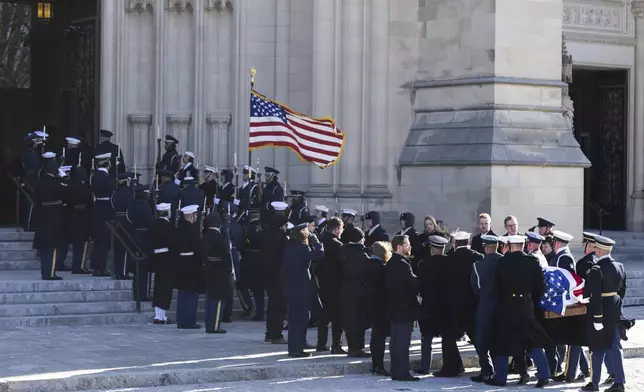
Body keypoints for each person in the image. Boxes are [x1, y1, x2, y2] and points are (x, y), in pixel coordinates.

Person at [486, 235, 552, 388]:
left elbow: (496, 287)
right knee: (532, 340)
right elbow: (540, 287)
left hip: (507, 306)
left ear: (509, 244)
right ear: (525, 244)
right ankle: (544, 375)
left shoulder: (503, 262)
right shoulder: (532, 261)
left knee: (503, 341)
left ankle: (501, 377)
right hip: (526, 305)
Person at [581, 235, 626, 392]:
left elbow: (594, 295)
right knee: (615, 347)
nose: (594, 250)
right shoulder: (620, 266)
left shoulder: (596, 269)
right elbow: (622, 291)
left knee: (597, 347)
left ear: (599, 249)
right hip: (615, 310)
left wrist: (597, 318)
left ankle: (594, 383)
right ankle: (619, 382)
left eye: (595, 248)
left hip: (600, 312)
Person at [435, 231, 483, 377]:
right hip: (473, 304)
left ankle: (452, 366)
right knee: (476, 337)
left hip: (453, 305)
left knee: (448, 336)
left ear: (454, 243)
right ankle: (487, 365)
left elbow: (442, 283)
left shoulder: (448, 259)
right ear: (468, 242)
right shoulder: (478, 257)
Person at [281, 223, 325, 357]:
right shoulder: (301, 248)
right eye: (306, 231)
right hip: (299, 287)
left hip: (293, 286)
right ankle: (295, 349)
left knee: (298, 318)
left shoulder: (291, 246)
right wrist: (317, 242)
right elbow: (319, 254)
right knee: (299, 319)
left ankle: (299, 344)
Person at [386, 235, 420, 382]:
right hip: (403, 309)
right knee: (402, 342)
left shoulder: (391, 262)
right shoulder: (402, 264)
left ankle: (396, 370)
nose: (410, 247)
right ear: (399, 247)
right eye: (407, 244)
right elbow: (413, 284)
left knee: (395, 342)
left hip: (393, 308)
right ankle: (402, 373)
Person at [470, 234, 503, 382]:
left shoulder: (478, 265)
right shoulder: (504, 262)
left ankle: (486, 369)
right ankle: (499, 371)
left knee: (481, 341)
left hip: (485, 306)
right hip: (503, 306)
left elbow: (476, 288)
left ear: (485, 247)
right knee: (498, 338)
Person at [415, 235, 448, 375]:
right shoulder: (449, 262)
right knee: (447, 338)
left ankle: (425, 366)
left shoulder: (423, 264)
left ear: (432, 248)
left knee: (427, 338)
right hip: (445, 305)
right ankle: (450, 364)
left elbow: (418, 285)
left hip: (428, 304)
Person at [339, 226, 372, 358]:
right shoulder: (361, 255)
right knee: (358, 320)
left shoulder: (342, 252)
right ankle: (357, 348)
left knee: (349, 319)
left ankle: (352, 347)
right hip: (359, 290)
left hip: (345, 288)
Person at [33, 159, 67, 281]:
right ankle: (50, 273)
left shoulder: (38, 182)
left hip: (42, 217)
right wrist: (64, 179)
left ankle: (44, 272)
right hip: (54, 218)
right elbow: (65, 195)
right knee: (53, 248)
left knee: (44, 249)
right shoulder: (57, 184)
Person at [316, 216, 346, 353]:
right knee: (337, 317)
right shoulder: (337, 244)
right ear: (337, 229)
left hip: (321, 282)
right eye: (341, 228)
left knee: (323, 316)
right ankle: (336, 345)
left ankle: (321, 344)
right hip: (336, 284)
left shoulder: (320, 240)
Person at [202, 213, 233, 334]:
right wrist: (229, 269)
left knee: (210, 299)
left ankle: (209, 323)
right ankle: (214, 325)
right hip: (219, 271)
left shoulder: (205, 236)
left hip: (209, 269)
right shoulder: (219, 237)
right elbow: (226, 255)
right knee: (218, 300)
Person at [263, 201, 289, 344]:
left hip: (268, 275)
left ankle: (270, 333)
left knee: (272, 306)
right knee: (278, 307)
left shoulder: (266, 235)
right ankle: (276, 335)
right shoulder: (282, 239)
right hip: (279, 276)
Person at [175, 204, 204, 329]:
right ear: (192, 216)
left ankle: (181, 320)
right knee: (191, 295)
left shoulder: (179, 229)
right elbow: (198, 248)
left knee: (182, 294)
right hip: (191, 264)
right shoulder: (192, 230)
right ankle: (189, 321)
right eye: (195, 215)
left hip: (181, 264)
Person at [367, 241, 392, 376]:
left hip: (371, 304)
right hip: (381, 305)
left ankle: (375, 364)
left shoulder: (367, 264)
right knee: (380, 337)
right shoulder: (382, 267)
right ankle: (379, 366)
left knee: (375, 336)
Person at [149, 203, 176, 325]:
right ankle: (162, 316)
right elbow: (173, 242)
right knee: (165, 287)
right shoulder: (168, 225)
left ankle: (158, 315)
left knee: (158, 286)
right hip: (167, 258)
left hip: (157, 257)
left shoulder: (154, 224)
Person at [127, 185, 155, 300]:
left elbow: (129, 218)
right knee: (144, 269)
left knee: (137, 267)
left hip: (134, 236)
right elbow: (150, 221)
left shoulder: (132, 204)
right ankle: (142, 294)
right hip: (145, 237)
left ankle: (136, 293)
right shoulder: (145, 205)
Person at [89, 152, 114, 277]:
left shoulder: (94, 176)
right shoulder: (107, 178)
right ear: (108, 163)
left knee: (98, 240)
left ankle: (95, 267)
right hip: (105, 209)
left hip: (97, 208)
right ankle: (101, 268)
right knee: (104, 241)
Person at [67, 167, 93, 274]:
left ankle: (75, 265)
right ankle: (79, 266)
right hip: (83, 217)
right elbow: (90, 203)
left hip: (73, 216)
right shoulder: (85, 188)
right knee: (82, 244)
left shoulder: (70, 186)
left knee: (76, 244)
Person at [242, 210, 265, 321]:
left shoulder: (248, 229)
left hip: (249, 262)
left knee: (242, 287)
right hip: (261, 263)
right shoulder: (263, 230)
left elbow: (243, 244)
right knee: (259, 291)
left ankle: (250, 307)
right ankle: (260, 312)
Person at [111, 172, 135, 280]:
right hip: (125, 221)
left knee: (118, 249)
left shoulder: (115, 193)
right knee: (125, 248)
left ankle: (117, 271)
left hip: (116, 220)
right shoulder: (128, 193)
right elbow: (131, 205)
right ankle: (123, 272)